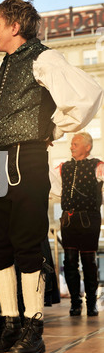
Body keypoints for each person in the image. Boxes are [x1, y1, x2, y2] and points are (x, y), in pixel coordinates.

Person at [0, 0, 103, 353]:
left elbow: (88, 93)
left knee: (26, 242)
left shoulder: (43, 58)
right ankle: (10, 324)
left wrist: (52, 126)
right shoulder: (1, 69)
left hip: (26, 157)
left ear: (15, 26)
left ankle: (34, 327)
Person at [51, 132, 104, 317]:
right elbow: (56, 190)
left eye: (75, 144)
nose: (71, 146)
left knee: (89, 261)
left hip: (89, 219)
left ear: (87, 147)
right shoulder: (63, 167)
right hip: (68, 219)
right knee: (70, 260)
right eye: (71, 144)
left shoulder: (98, 166)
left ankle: (91, 304)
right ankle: (75, 303)